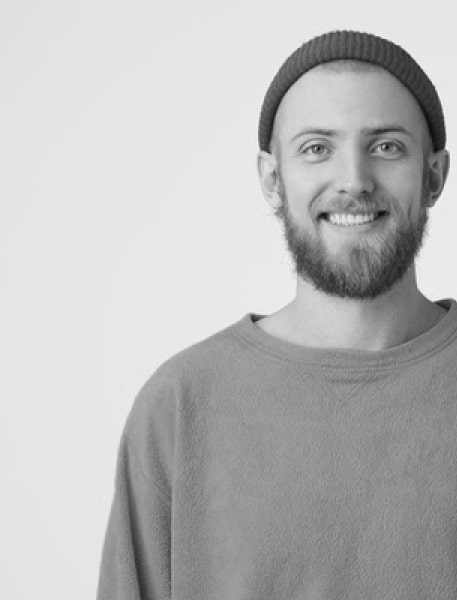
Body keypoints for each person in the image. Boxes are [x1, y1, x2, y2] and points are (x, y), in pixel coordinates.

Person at [96, 30, 457, 600]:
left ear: (433, 176)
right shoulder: (181, 405)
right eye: (317, 148)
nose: (353, 181)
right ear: (272, 179)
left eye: (387, 147)